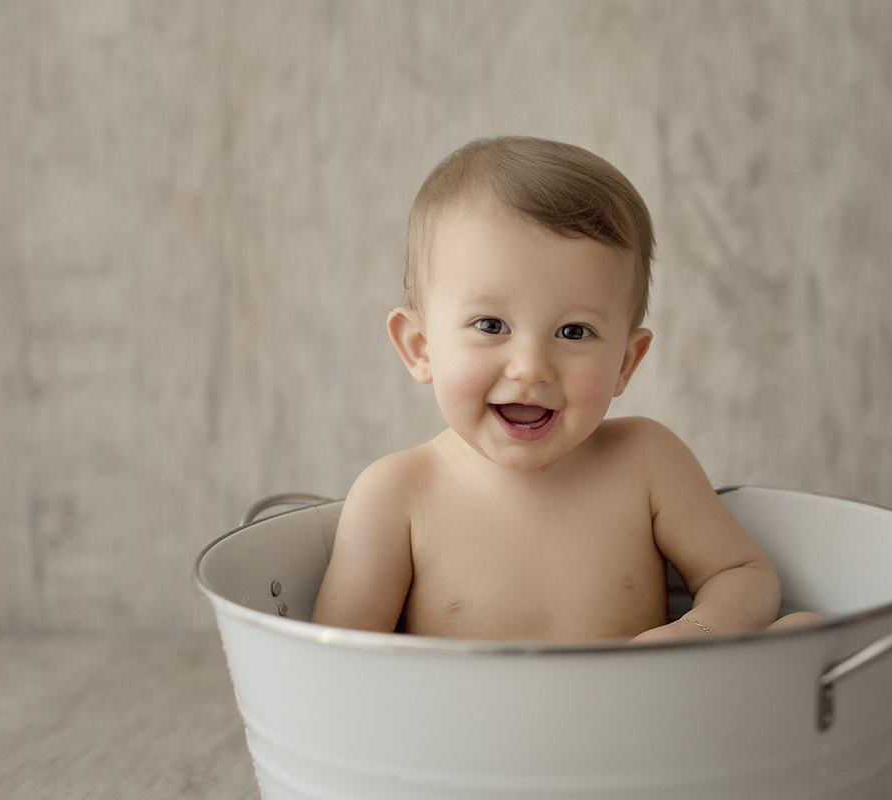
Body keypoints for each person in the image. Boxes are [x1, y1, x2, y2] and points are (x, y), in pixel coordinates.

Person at [312, 136, 817, 642]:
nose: (532, 368)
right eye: (490, 325)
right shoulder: (397, 495)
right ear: (421, 347)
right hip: (462, 721)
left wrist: (696, 631)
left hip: (638, 719)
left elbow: (743, 574)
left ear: (624, 362)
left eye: (574, 332)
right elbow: (331, 662)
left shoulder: (647, 462)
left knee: (805, 632)